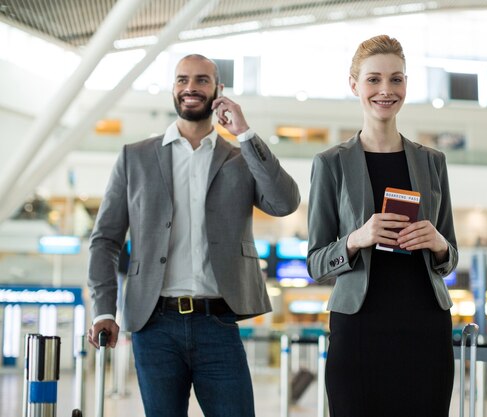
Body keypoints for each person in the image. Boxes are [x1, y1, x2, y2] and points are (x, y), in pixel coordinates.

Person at [87, 54, 300, 417]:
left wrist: (245, 134)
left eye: (202, 80)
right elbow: (105, 240)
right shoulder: (134, 157)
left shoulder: (240, 158)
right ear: (173, 89)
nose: (190, 88)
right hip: (154, 324)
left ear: (218, 90)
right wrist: (103, 309)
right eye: (182, 79)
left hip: (216, 321)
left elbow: (284, 202)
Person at [307, 35, 458, 416]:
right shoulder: (331, 164)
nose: (386, 90)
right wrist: (356, 239)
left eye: (396, 79)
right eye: (374, 79)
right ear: (354, 84)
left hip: (426, 323)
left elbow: (449, 257)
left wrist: (438, 243)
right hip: (359, 325)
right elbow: (315, 263)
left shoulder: (432, 161)